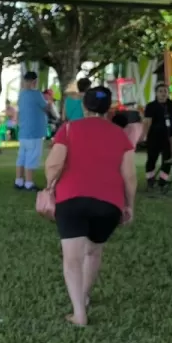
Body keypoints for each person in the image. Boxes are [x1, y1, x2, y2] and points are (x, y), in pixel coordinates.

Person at [43, 87, 136, 327]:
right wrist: (129, 205)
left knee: (72, 258)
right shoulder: (120, 135)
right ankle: (84, 296)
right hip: (109, 203)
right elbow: (129, 176)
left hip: (71, 199)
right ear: (109, 108)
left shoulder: (69, 129)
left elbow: (53, 164)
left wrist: (49, 186)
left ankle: (79, 313)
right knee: (93, 251)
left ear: (84, 106)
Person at [15, 71, 52, 191]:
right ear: (34, 81)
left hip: (24, 131)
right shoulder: (36, 94)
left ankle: (19, 181)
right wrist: (50, 101)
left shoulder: (21, 94)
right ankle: (29, 183)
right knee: (32, 157)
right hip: (34, 132)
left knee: (22, 157)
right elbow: (46, 108)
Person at [141, 84, 172, 191]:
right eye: (160, 91)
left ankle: (163, 181)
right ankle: (150, 180)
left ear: (168, 93)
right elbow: (147, 122)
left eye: (165, 91)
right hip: (154, 136)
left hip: (169, 136)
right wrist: (144, 136)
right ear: (156, 93)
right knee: (151, 159)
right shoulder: (151, 106)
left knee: (167, 160)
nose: (163, 93)